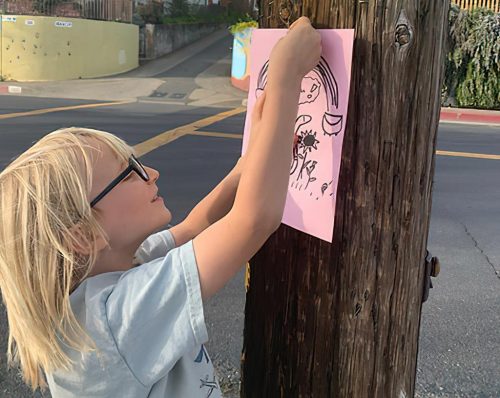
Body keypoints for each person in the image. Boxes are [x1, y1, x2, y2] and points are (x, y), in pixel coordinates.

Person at [0, 17, 321, 397]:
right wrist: (285, 77)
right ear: (83, 235)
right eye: (129, 173)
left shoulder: (123, 266)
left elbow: (196, 225)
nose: (150, 171)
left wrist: (247, 163)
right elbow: (254, 220)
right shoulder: (112, 322)